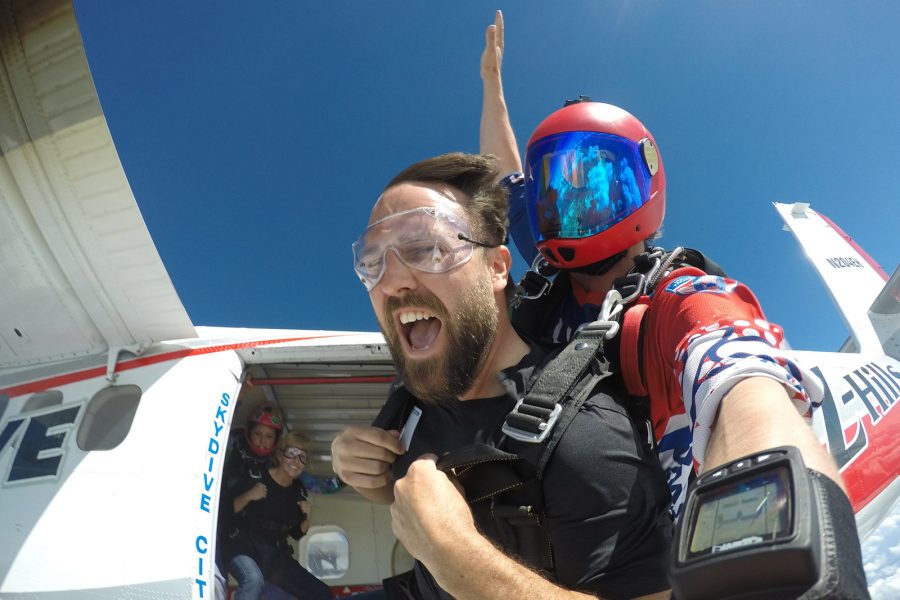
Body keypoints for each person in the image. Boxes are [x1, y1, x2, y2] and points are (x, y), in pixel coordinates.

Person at [478, 9, 847, 519]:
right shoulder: (549, 282)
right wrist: (491, 85)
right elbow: (503, 178)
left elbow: (731, 359)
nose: (575, 203)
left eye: (597, 184)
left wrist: (787, 497)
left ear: (641, 183)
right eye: (556, 191)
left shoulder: (673, 295)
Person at [333, 152, 673, 599]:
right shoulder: (415, 388)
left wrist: (457, 559)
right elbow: (404, 496)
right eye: (373, 261)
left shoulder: (584, 434)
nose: (391, 280)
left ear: (496, 267)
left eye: (425, 249)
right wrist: (366, 475)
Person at [220, 429, 331, 600]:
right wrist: (249, 495)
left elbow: (296, 533)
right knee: (253, 579)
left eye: (302, 457)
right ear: (280, 455)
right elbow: (225, 512)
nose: (296, 461)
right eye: (292, 453)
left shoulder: (298, 492)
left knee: (321, 592)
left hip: (274, 556)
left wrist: (308, 517)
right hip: (242, 546)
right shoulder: (255, 476)